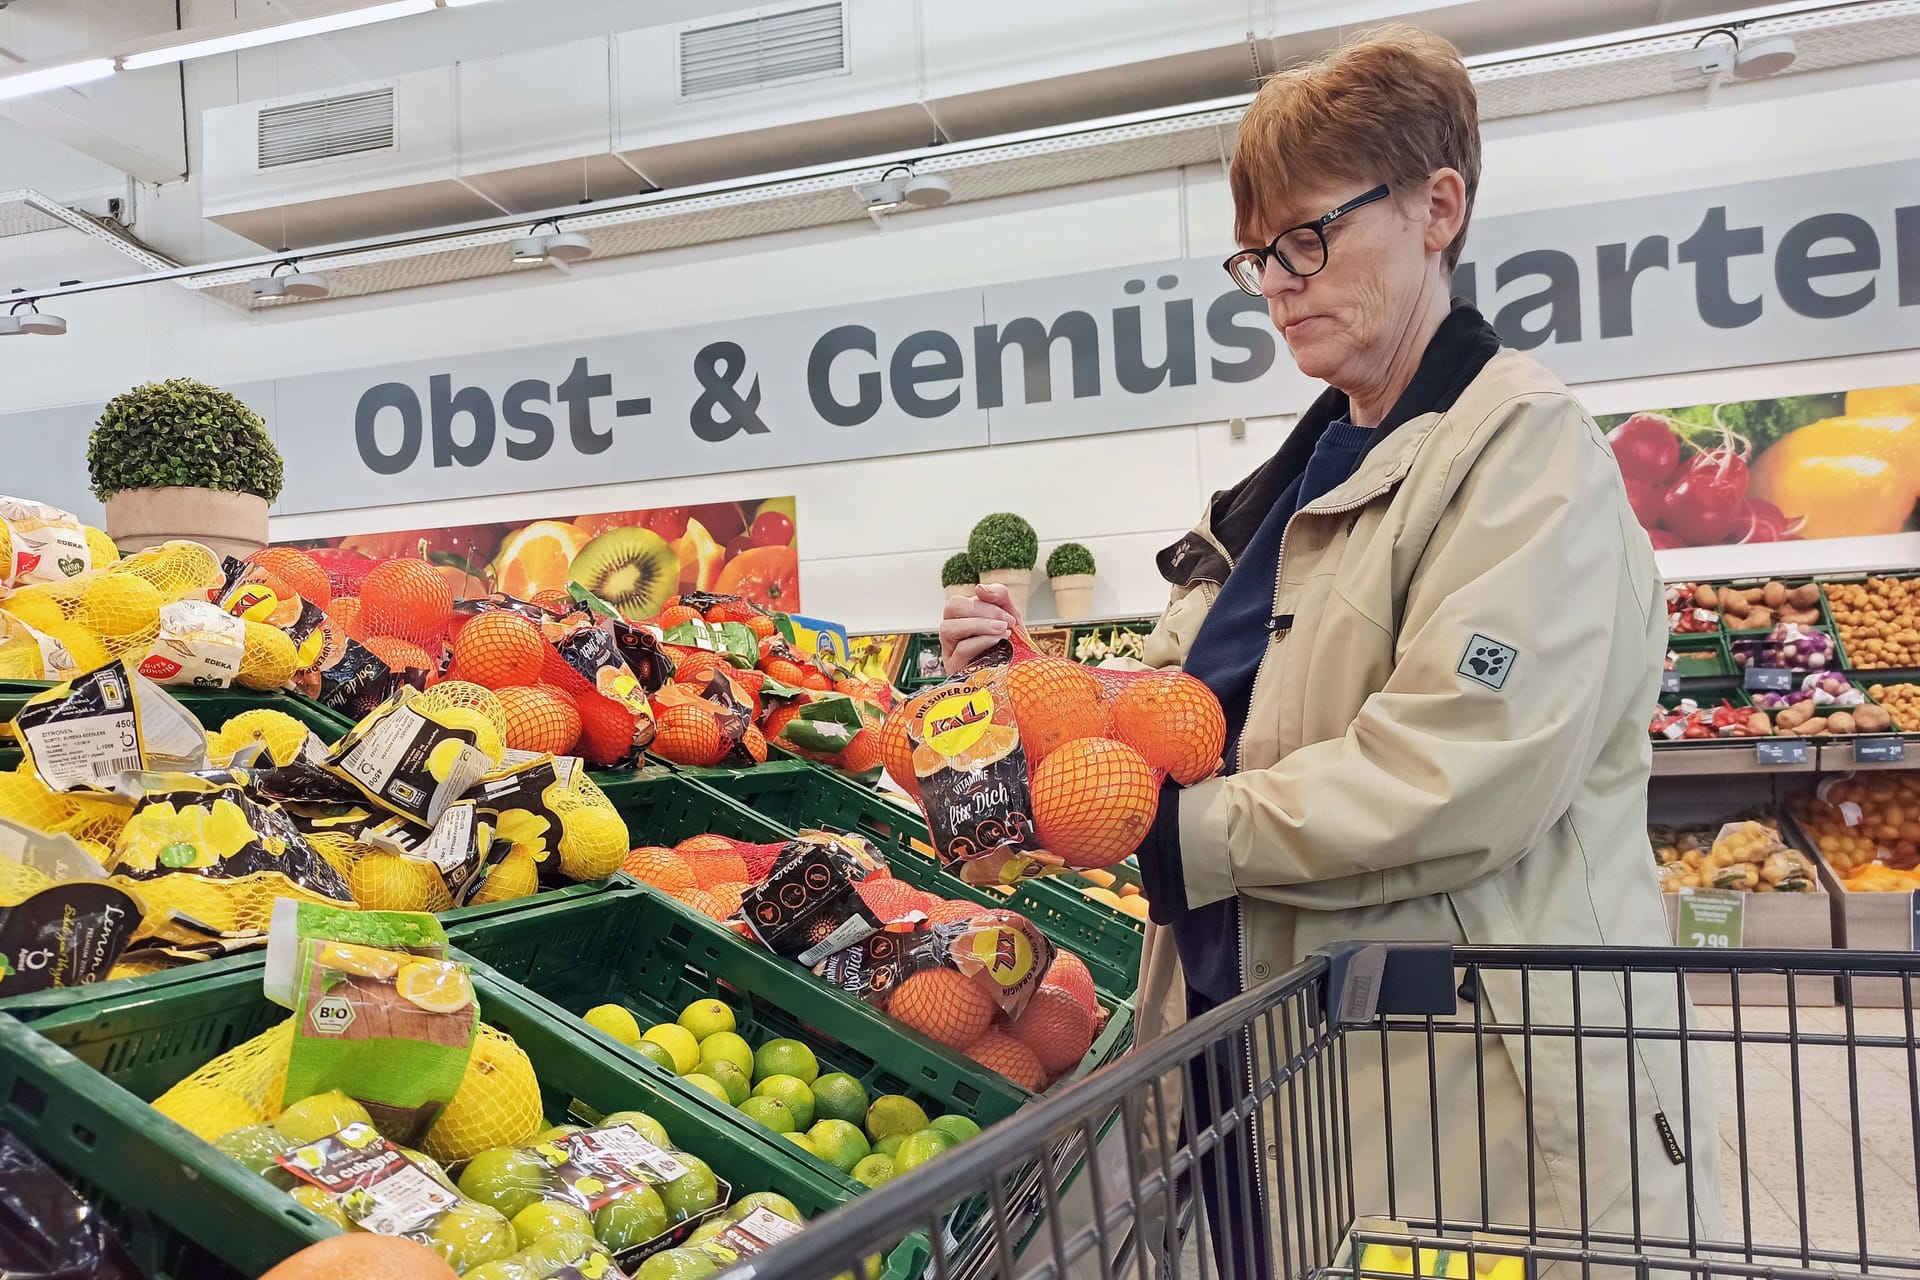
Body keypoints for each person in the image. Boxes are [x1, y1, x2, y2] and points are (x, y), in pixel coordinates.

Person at [943, 24, 1721, 1278]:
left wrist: (1166, 833)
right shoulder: (1298, 476)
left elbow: (1456, 772)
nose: (1280, 280)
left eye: (1312, 236)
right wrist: (1032, 694)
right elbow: (1177, 709)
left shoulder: (1521, 456)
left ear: (1437, 208)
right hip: (1262, 1071)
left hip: (1459, 1093)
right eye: (1260, 252)